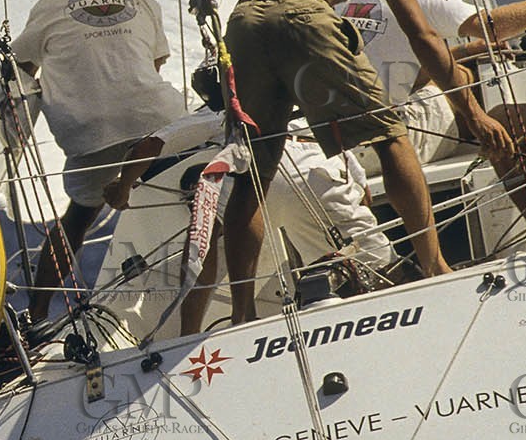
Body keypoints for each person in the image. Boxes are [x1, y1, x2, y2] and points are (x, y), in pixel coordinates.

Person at [220, 0, 512, 324]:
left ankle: (242, 315)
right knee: (391, 139)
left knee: (254, 174)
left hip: (243, 22)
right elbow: (425, 39)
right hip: (305, 12)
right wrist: (472, 113)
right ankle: (435, 267)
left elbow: (270, 14)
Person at [105, 63, 394, 334]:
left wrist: (122, 188)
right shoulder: (305, 100)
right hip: (316, 169)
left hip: (254, 175)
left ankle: (205, 330)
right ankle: (394, 308)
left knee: (204, 243)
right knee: (377, 265)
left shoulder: (227, 106)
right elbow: (362, 190)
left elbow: (151, 145)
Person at [14, 0, 186, 320]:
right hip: (155, 118)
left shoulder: (50, 1)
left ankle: (36, 316)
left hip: (89, 135)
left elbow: (21, 68)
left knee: (76, 222)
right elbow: (156, 62)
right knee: (196, 187)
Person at [337, 0, 526, 235]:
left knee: (454, 77)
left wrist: (462, 52)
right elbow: (491, 27)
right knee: (504, 117)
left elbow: (397, 70)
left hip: (339, 147)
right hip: (388, 141)